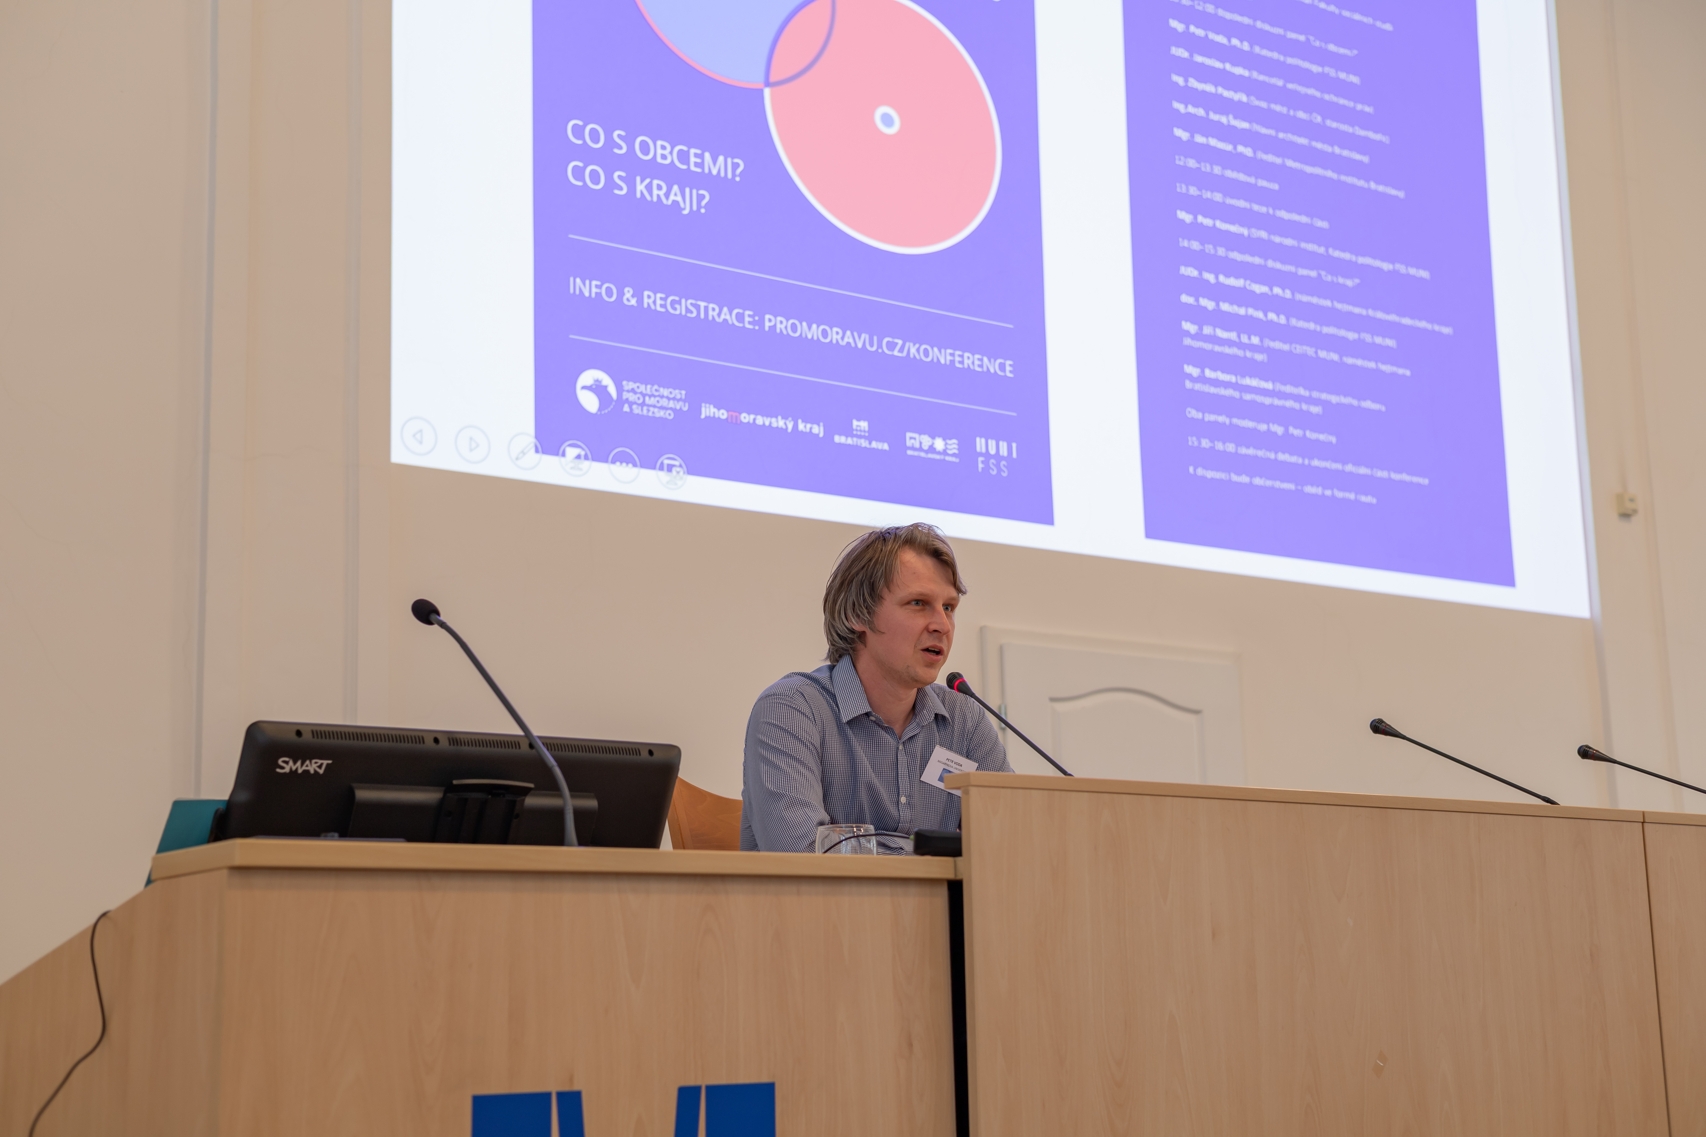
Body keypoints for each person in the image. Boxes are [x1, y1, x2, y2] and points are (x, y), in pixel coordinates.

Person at [740, 523, 1012, 852]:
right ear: (858, 614)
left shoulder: (964, 721)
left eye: (948, 607)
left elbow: (1013, 844)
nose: (942, 625)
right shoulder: (791, 710)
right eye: (918, 603)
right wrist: (940, 858)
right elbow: (805, 857)